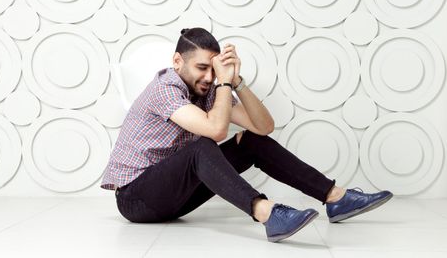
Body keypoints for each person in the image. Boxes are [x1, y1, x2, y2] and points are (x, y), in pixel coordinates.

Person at [101, 27, 393, 242]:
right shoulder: (165, 88)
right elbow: (216, 131)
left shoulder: (210, 91)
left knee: (250, 142)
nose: (208, 78)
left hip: (174, 195)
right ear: (178, 62)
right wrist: (223, 85)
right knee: (202, 146)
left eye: (213, 70)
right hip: (136, 198)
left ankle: (334, 197)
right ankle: (269, 214)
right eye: (202, 68)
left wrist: (235, 81)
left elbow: (263, 126)